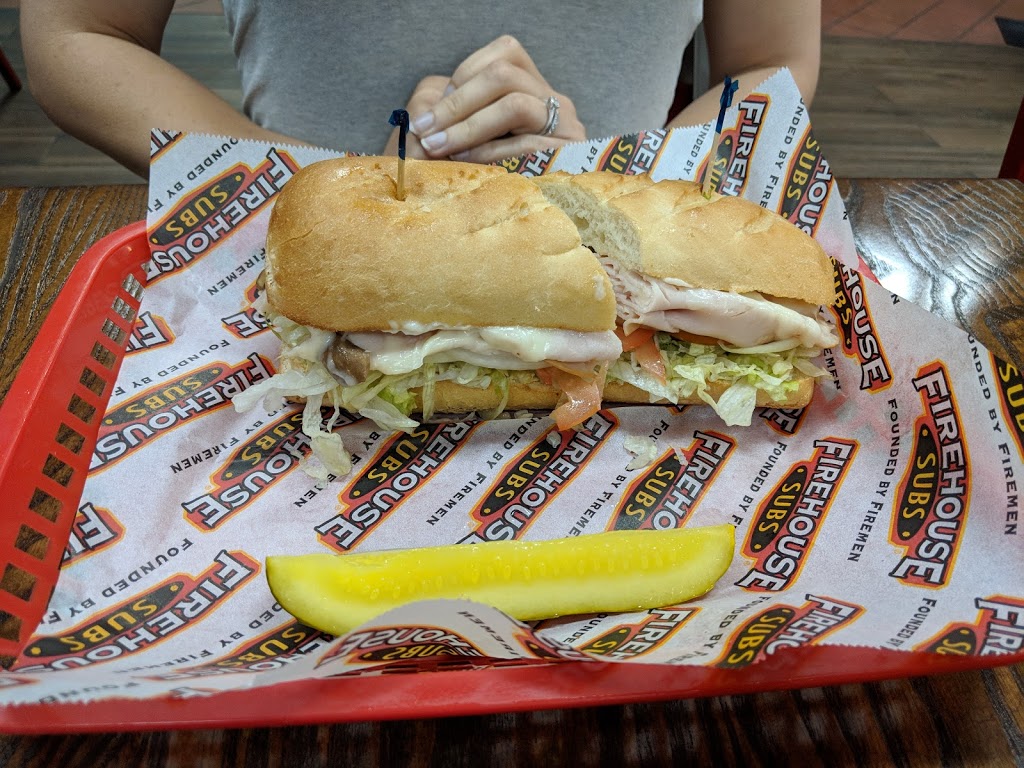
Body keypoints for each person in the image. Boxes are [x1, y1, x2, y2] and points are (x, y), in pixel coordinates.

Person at [20, 0, 821, 178]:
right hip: (289, 266)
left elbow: (770, 59)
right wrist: (326, 193)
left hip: (620, 287)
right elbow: (78, 34)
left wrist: (626, 185)